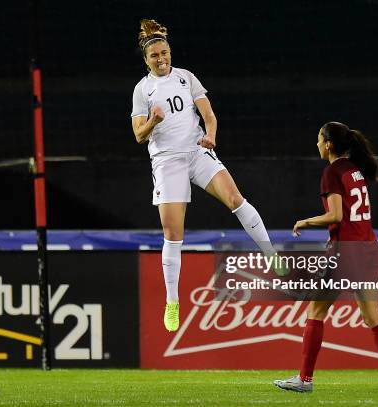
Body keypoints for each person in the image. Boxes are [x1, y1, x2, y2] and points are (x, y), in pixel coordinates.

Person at [131, 19, 283, 333]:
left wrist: (210, 135)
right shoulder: (142, 90)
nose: (162, 59)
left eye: (165, 53)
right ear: (146, 60)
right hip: (167, 161)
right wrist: (153, 121)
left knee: (235, 198)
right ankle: (173, 302)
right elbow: (138, 135)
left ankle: (271, 255)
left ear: (170, 52)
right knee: (173, 233)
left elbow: (208, 115)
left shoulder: (186, 77)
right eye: (155, 56)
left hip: (196, 150)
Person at [273, 121, 378, 393]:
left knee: (316, 310)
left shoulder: (332, 172)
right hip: (369, 248)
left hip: (346, 251)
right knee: (372, 314)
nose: (318, 144)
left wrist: (305, 222)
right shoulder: (355, 170)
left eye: (319, 140)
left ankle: (305, 380)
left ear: (329, 144)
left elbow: (336, 216)